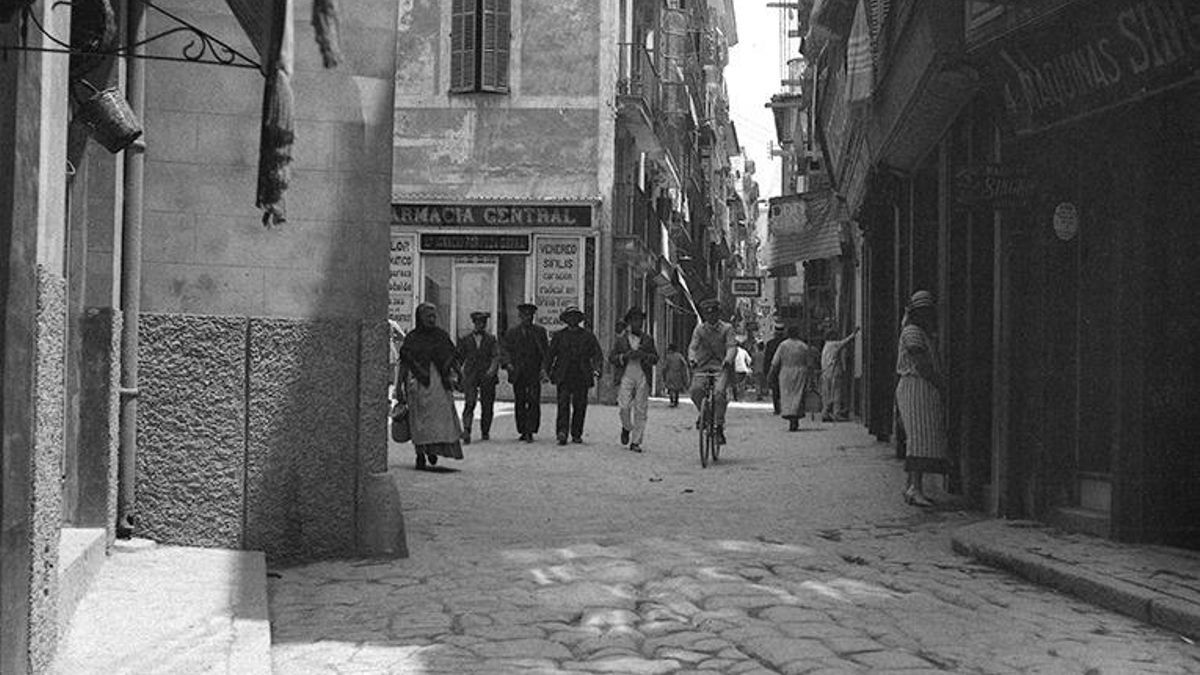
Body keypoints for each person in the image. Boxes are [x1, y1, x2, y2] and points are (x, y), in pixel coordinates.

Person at [895, 290, 949, 507]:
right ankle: (915, 488)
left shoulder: (918, 332)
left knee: (919, 438)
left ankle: (911, 486)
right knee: (919, 439)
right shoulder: (913, 332)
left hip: (919, 389)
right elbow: (922, 365)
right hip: (917, 388)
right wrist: (939, 383)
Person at [394, 302, 463, 470]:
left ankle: (433, 449)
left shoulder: (441, 336)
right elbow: (404, 363)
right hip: (417, 385)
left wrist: (459, 375)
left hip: (439, 385)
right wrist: (398, 387)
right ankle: (420, 453)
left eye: (433, 316)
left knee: (439, 420)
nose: (432, 320)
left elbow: (452, 357)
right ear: (420, 318)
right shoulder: (412, 338)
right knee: (419, 422)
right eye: (428, 317)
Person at [546, 306, 603, 445]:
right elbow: (550, 355)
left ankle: (576, 433)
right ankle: (562, 432)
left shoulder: (588, 336)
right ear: (566, 319)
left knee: (580, 405)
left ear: (579, 319)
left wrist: (597, 368)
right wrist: (546, 371)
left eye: (575, 317)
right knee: (563, 403)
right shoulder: (559, 336)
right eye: (570, 317)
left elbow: (597, 354)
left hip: (581, 374)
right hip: (564, 374)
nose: (573, 320)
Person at [609, 307, 658, 453]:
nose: (638, 323)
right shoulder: (621, 340)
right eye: (635, 320)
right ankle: (626, 427)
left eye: (640, 320)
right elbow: (612, 358)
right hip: (626, 375)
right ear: (629, 322)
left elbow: (655, 358)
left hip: (642, 375)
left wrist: (644, 356)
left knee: (641, 409)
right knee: (624, 406)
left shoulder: (648, 339)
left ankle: (636, 441)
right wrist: (625, 356)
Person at [688, 298, 736, 445]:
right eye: (708, 314)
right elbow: (693, 347)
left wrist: (728, 359)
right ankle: (704, 414)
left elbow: (731, 346)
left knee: (719, 393)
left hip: (720, 367)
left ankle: (719, 425)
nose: (711, 316)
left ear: (718, 313)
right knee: (695, 390)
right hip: (702, 366)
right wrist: (692, 359)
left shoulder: (727, 329)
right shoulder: (700, 330)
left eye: (714, 313)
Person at [500, 302, 549, 443]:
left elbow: (546, 352)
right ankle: (522, 429)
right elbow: (505, 350)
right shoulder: (512, 333)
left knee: (534, 401)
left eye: (530, 316)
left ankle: (530, 431)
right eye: (525, 315)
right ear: (520, 316)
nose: (528, 318)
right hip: (518, 372)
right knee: (520, 401)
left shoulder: (539, 332)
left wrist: (544, 369)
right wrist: (508, 364)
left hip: (533, 371)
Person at [456, 311, 500, 444]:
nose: (480, 325)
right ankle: (467, 429)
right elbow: (459, 358)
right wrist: (458, 374)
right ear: (474, 323)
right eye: (478, 323)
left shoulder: (491, 339)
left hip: (487, 376)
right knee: (470, 403)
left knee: (487, 404)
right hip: (471, 375)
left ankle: (485, 430)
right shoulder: (465, 339)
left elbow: (496, 356)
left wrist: (492, 370)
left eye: (483, 323)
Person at [769, 324, 815, 431]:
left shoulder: (783, 345)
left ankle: (790, 417)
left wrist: (771, 374)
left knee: (787, 395)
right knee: (798, 395)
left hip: (785, 373)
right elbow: (810, 363)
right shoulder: (803, 346)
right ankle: (795, 417)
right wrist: (811, 377)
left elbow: (775, 362)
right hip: (800, 372)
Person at [820, 326, 860, 422]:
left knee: (827, 393)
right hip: (834, 371)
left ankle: (825, 412)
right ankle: (836, 413)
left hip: (825, 371)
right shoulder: (834, 344)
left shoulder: (826, 346)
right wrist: (854, 334)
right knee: (836, 392)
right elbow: (845, 342)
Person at [763, 322, 786, 415]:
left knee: (775, 390)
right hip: (785, 369)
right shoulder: (786, 343)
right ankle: (785, 407)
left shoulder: (770, 343)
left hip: (775, 369)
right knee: (784, 389)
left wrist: (767, 371)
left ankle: (777, 409)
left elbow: (767, 359)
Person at [659, 343, 690, 407]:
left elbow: (665, 366)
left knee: (670, 388)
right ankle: (676, 401)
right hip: (678, 374)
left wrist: (663, 372)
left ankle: (671, 401)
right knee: (676, 389)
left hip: (670, 374)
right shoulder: (679, 356)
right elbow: (684, 364)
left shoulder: (668, 356)